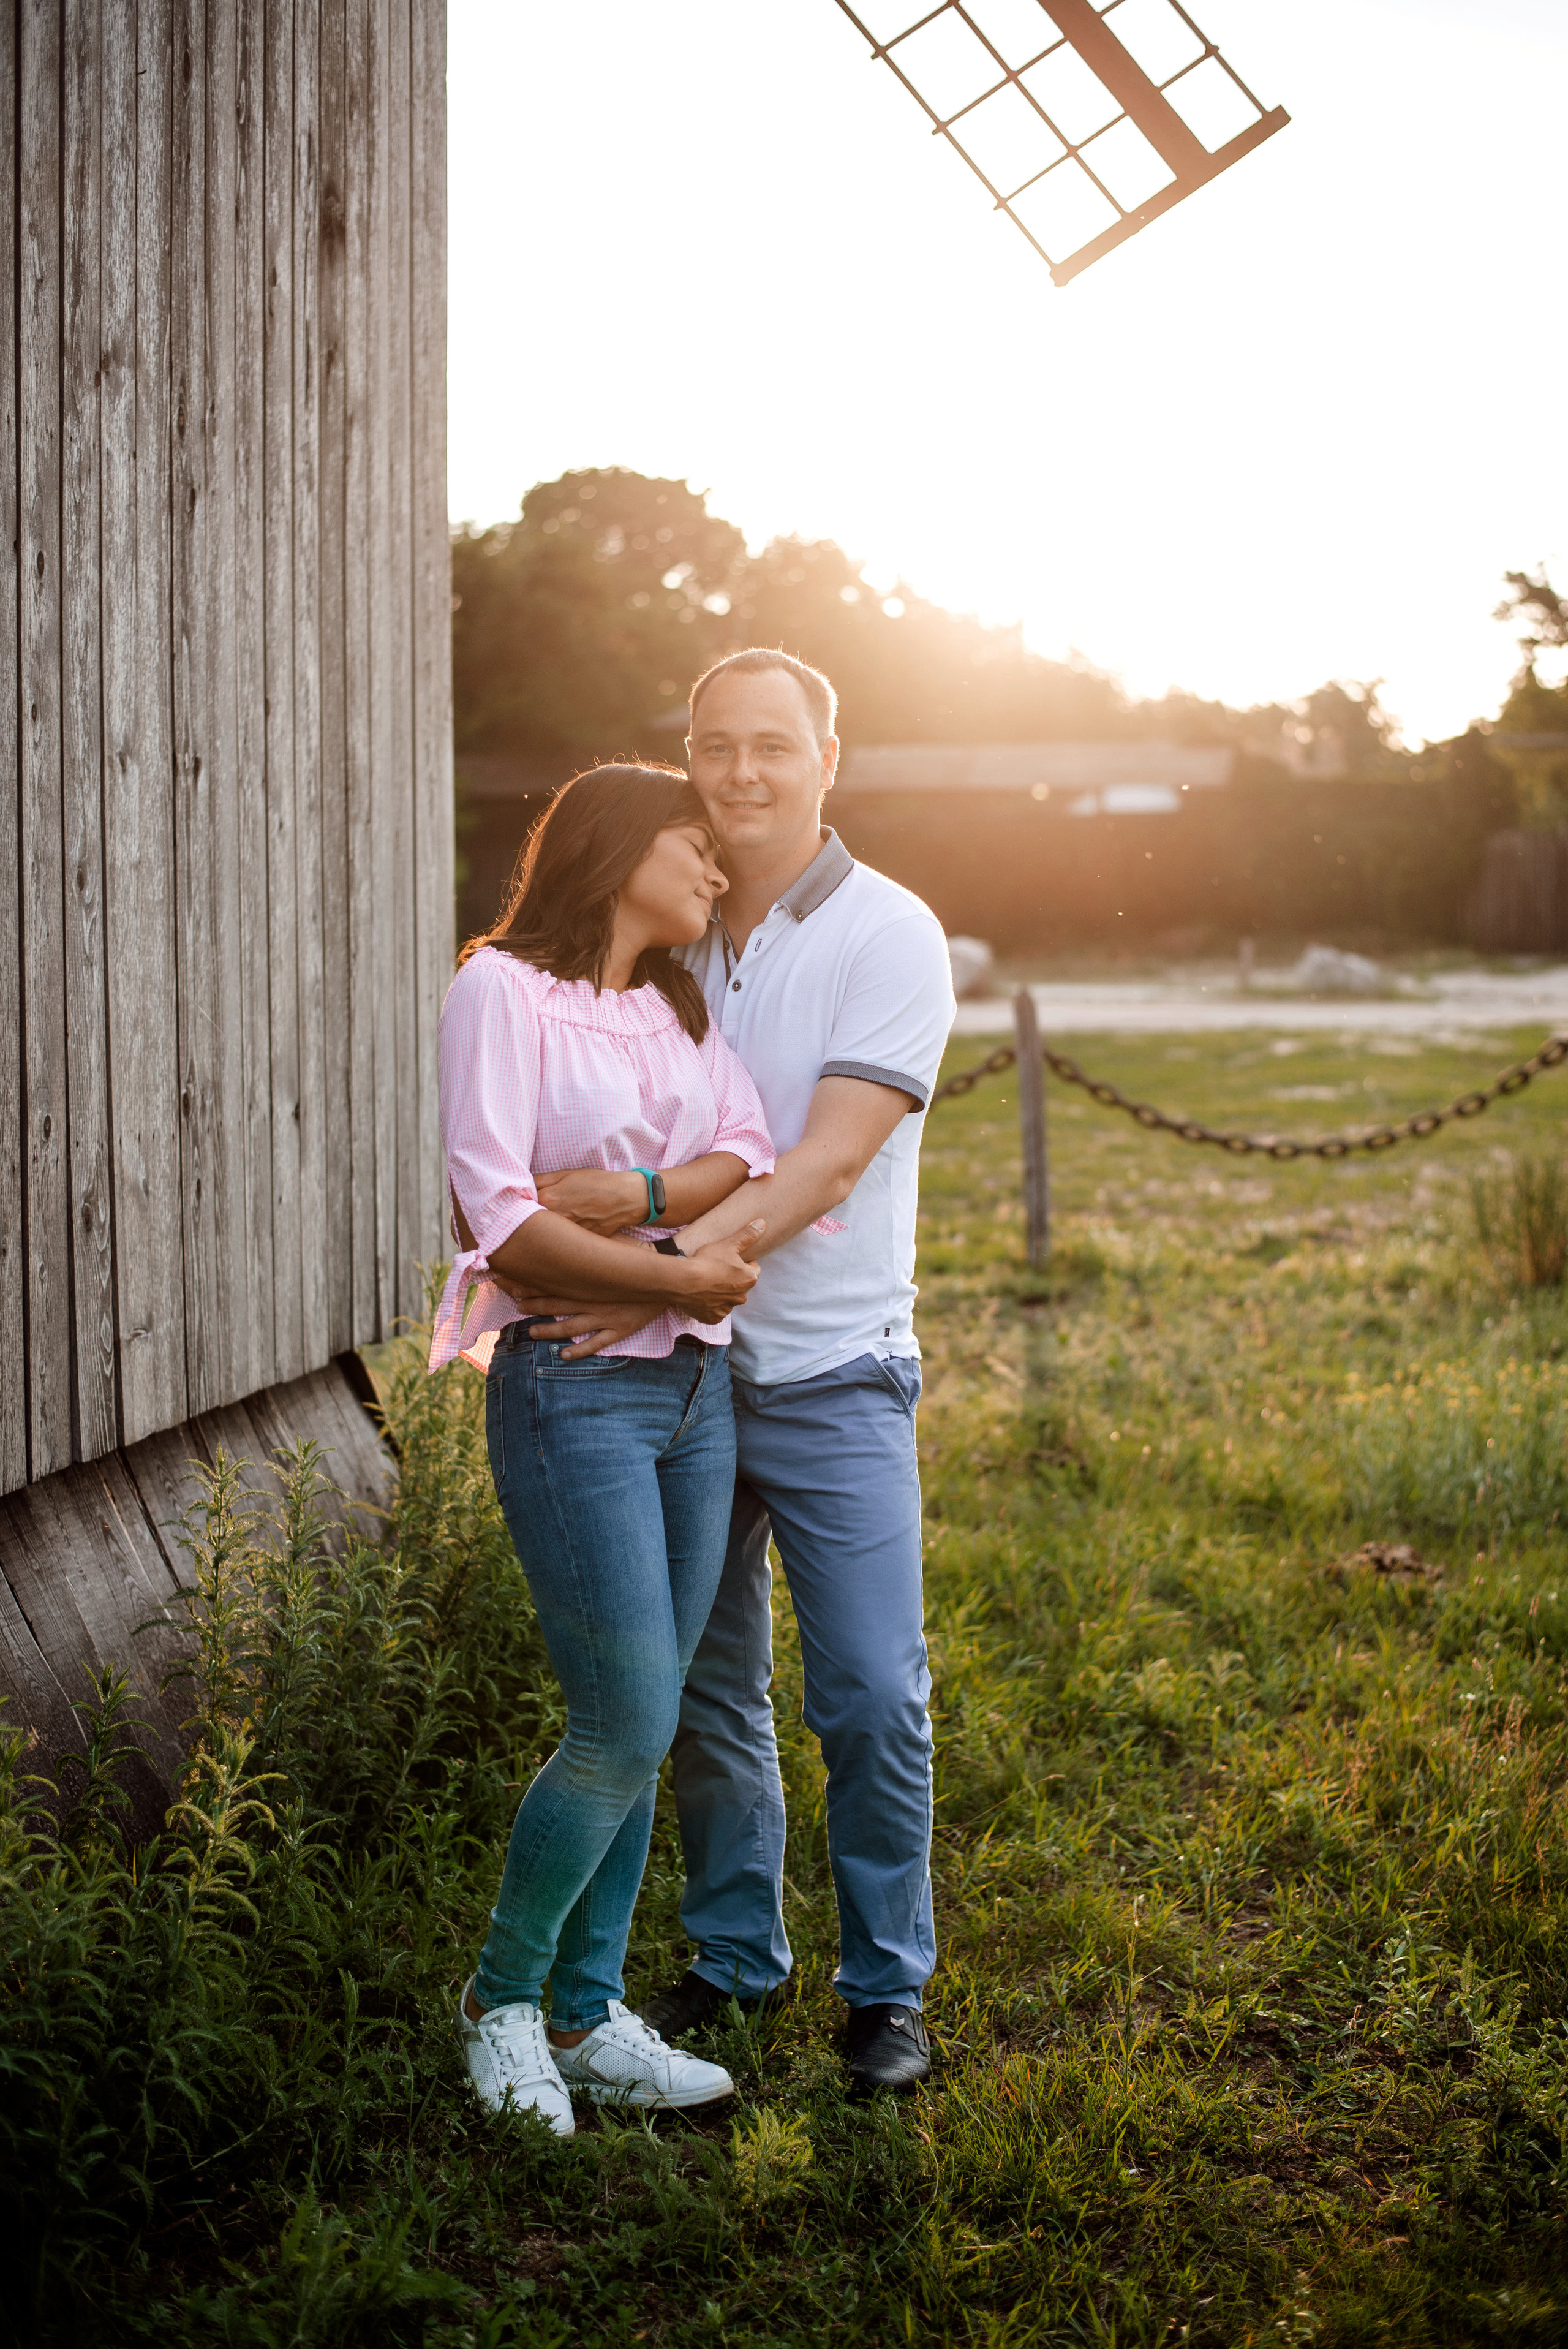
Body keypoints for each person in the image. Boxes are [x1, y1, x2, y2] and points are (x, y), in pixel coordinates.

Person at [503, 652, 956, 2095]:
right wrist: (638, 1294)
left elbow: (825, 1157)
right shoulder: (669, 926)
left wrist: (640, 1245)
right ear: (686, 760)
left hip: (831, 1371)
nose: (741, 773)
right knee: (701, 1697)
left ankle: (886, 1989)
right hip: (670, 1383)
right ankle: (731, 1960)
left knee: (872, 1693)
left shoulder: (890, 934)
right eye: (713, 748)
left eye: (772, 745)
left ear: (831, 753)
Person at [429, 762, 776, 2135]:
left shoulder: (674, 1007)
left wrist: (638, 1206)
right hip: (574, 1391)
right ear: (621, 845)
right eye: (695, 846)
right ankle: (499, 2003)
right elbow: (499, 1215)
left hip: (696, 1402)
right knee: (620, 1720)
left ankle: (584, 2014)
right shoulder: (498, 992)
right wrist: (674, 1278)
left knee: (653, 1715)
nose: (714, 872)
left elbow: (748, 1156)